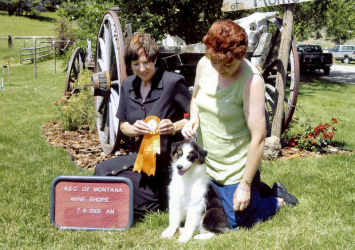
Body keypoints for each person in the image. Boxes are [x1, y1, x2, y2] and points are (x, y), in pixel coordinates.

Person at [182, 20, 298, 229]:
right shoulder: (203, 64)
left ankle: (276, 200)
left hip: (236, 168)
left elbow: (259, 137)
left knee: (234, 222)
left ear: (241, 56)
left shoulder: (251, 81)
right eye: (216, 62)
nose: (221, 68)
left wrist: (244, 185)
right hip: (208, 163)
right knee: (195, 207)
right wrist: (194, 118)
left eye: (228, 64)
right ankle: (260, 191)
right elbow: (196, 98)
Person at [94, 33, 191, 218]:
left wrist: (174, 126)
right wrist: (134, 129)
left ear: (155, 59)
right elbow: (123, 126)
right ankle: (141, 199)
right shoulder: (127, 84)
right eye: (136, 64)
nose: (142, 68)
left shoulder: (173, 82)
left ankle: (155, 200)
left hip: (168, 160)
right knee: (102, 171)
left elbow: (192, 117)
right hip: (142, 158)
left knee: (143, 204)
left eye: (146, 62)